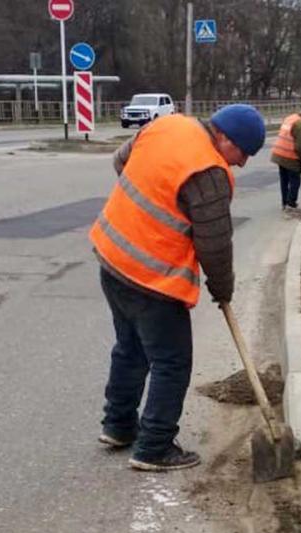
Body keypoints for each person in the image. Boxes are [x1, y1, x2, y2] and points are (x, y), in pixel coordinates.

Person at [89, 104, 266, 471]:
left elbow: (121, 161)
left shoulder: (167, 125)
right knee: (171, 362)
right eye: (243, 152)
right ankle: (154, 446)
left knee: (131, 349)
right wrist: (223, 288)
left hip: (112, 258)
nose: (243, 163)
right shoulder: (209, 171)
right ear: (225, 138)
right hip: (153, 278)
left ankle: (119, 426)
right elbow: (214, 244)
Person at [271, 108, 301, 213]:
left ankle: (284, 203)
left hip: (279, 154)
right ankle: (291, 204)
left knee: (284, 180)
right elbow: (300, 147)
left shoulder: (290, 118)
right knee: (295, 180)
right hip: (290, 156)